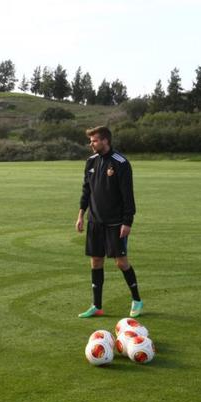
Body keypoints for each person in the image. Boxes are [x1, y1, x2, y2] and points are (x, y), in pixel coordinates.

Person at [75, 126, 143, 318]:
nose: (91, 144)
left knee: (121, 263)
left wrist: (127, 221)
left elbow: (127, 196)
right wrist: (81, 214)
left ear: (105, 141)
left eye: (94, 140)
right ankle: (97, 305)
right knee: (96, 261)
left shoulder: (121, 163)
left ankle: (137, 300)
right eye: (90, 141)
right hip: (95, 221)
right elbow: (86, 191)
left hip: (115, 222)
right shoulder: (90, 162)